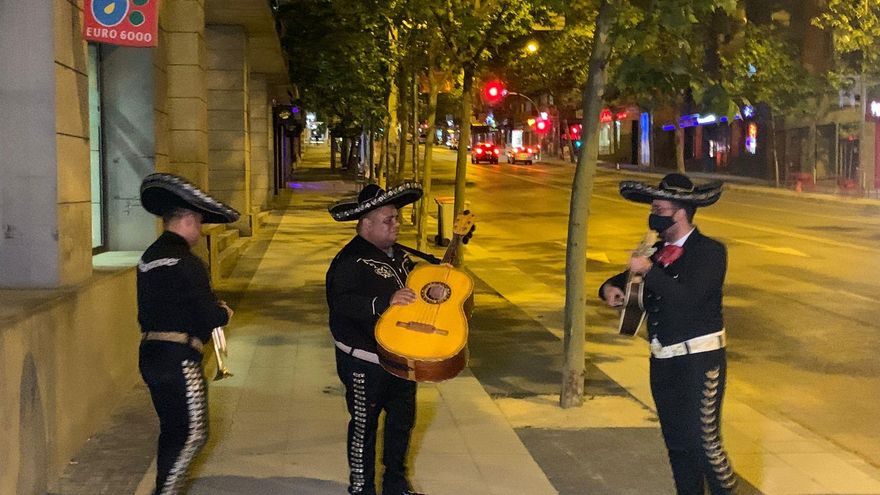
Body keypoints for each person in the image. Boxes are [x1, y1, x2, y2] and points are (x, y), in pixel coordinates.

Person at [599, 173, 736, 494]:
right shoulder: (656, 251)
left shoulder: (710, 252)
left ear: (681, 212)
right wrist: (608, 288)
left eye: (659, 209)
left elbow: (690, 298)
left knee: (706, 446)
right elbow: (621, 279)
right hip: (663, 362)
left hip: (699, 362)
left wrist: (650, 272)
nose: (653, 215)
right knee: (678, 446)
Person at [137, 173, 239, 495]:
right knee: (193, 433)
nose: (200, 231)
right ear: (190, 220)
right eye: (199, 223)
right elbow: (207, 314)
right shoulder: (187, 262)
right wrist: (224, 312)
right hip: (179, 358)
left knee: (173, 430)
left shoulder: (149, 257)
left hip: (152, 354)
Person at [326, 182, 427, 495]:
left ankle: (396, 484)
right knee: (364, 426)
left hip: (400, 358)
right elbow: (341, 303)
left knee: (401, 424)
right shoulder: (349, 261)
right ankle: (361, 486)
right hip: (364, 362)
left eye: (396, 218)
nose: (396, 224)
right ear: (366, 224)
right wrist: (385, 303)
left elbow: (415, 293)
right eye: (388, 220)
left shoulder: (400, 256)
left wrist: (430, 289)